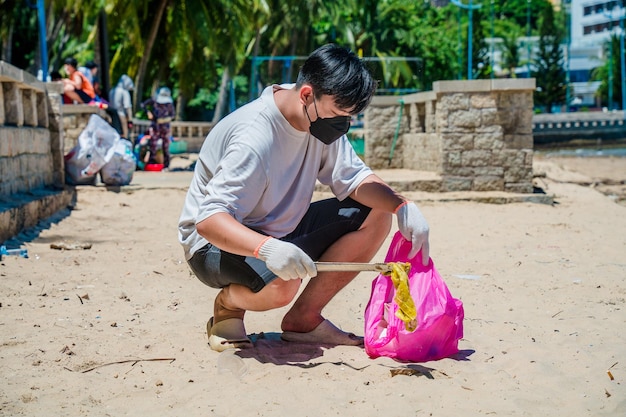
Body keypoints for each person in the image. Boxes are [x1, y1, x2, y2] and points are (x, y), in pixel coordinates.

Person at [178, 43, 430, 352]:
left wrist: (402, 205)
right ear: (307, 94)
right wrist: (268, 249)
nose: (343, 126)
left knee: (378, 212)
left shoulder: (318, 120)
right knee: (283, 283)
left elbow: (355, 179)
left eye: (349, 117)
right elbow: (208, 220)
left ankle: (304, 320)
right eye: (339, 115)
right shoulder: (254, 138)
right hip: (212, 246)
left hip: (277, 231)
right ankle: (228, 305)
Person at [140, 87, 175, 168]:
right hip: (155, 127)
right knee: (153, 145)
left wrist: (163, 120)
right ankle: (151, 163)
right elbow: (142, 105)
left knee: (165, 146)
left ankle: (166, 165)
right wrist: (148, 112)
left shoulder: (169, 104)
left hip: (165, 128)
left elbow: (172, 115)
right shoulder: (154, 101)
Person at [109, 74, 135, 139]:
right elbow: (127, 107)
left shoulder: (112, 90)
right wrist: (130, 120)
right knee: (124, 135)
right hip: (121, 115)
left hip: (111, 115)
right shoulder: (124, 92)